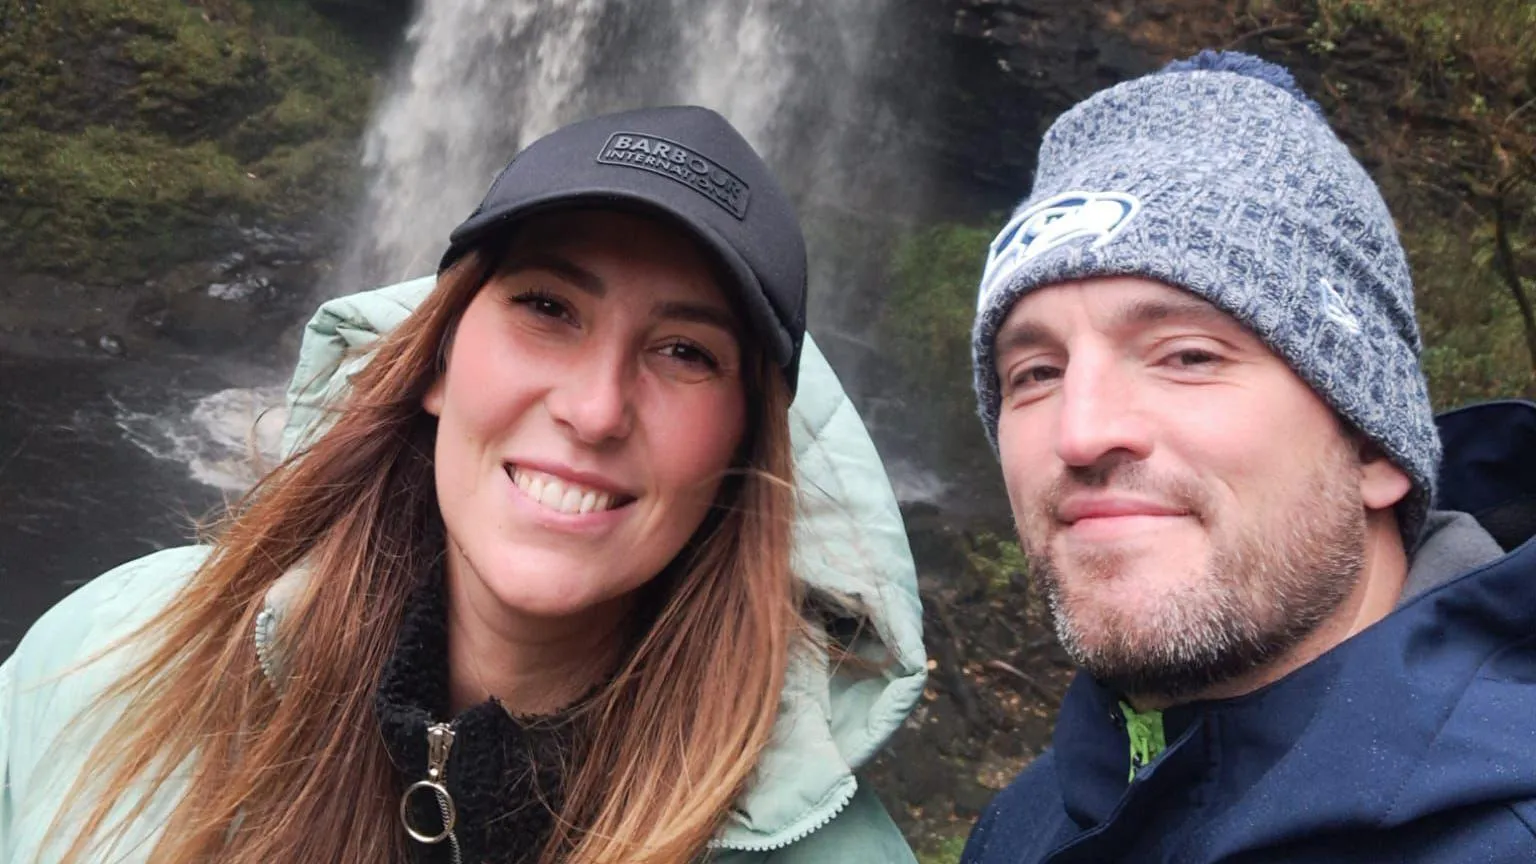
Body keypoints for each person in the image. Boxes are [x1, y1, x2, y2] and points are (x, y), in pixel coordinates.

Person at [0, 106, 926, 864]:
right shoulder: (108, 654)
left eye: (686, 351)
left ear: (743, 451)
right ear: (436, 357)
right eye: (547, 308)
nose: (596, 411)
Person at [959, 50, 1536, 863]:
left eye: (1187, 355)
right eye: (1036, 373)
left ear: (1374, 445)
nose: (1079, 432)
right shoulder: (1020, 828)